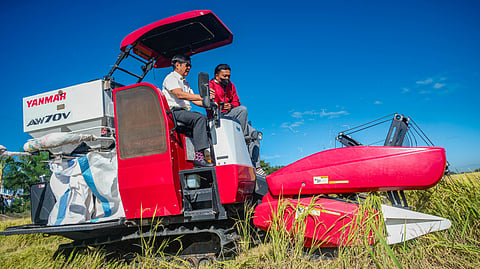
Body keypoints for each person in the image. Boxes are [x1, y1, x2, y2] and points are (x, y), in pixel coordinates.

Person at [209, 64, 264, 175]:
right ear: (216, 75)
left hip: (233, 115)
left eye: (229, 76)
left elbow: (236, 101)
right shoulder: (210, 85)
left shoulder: (231, 85)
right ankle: (242, 138)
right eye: (224, 76)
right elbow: (208, 103)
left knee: (254, 134)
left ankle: (256, 167)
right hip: (219, 117)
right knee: (243, 109)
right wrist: (220, 106)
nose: (227, 79)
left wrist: (231, 106)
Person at [162, 54, 213, 168]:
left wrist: (210, 104)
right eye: (187, 65)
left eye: (190, 65)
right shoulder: (171, 78)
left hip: (184, 112)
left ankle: (209, 155)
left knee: (208, 122)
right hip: (174, 113)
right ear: (177, 65)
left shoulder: (185, 82)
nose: (189, 68)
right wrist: (202, 97)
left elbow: (195, 100)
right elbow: (179, 94)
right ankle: (199, 157)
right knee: (199, 118)